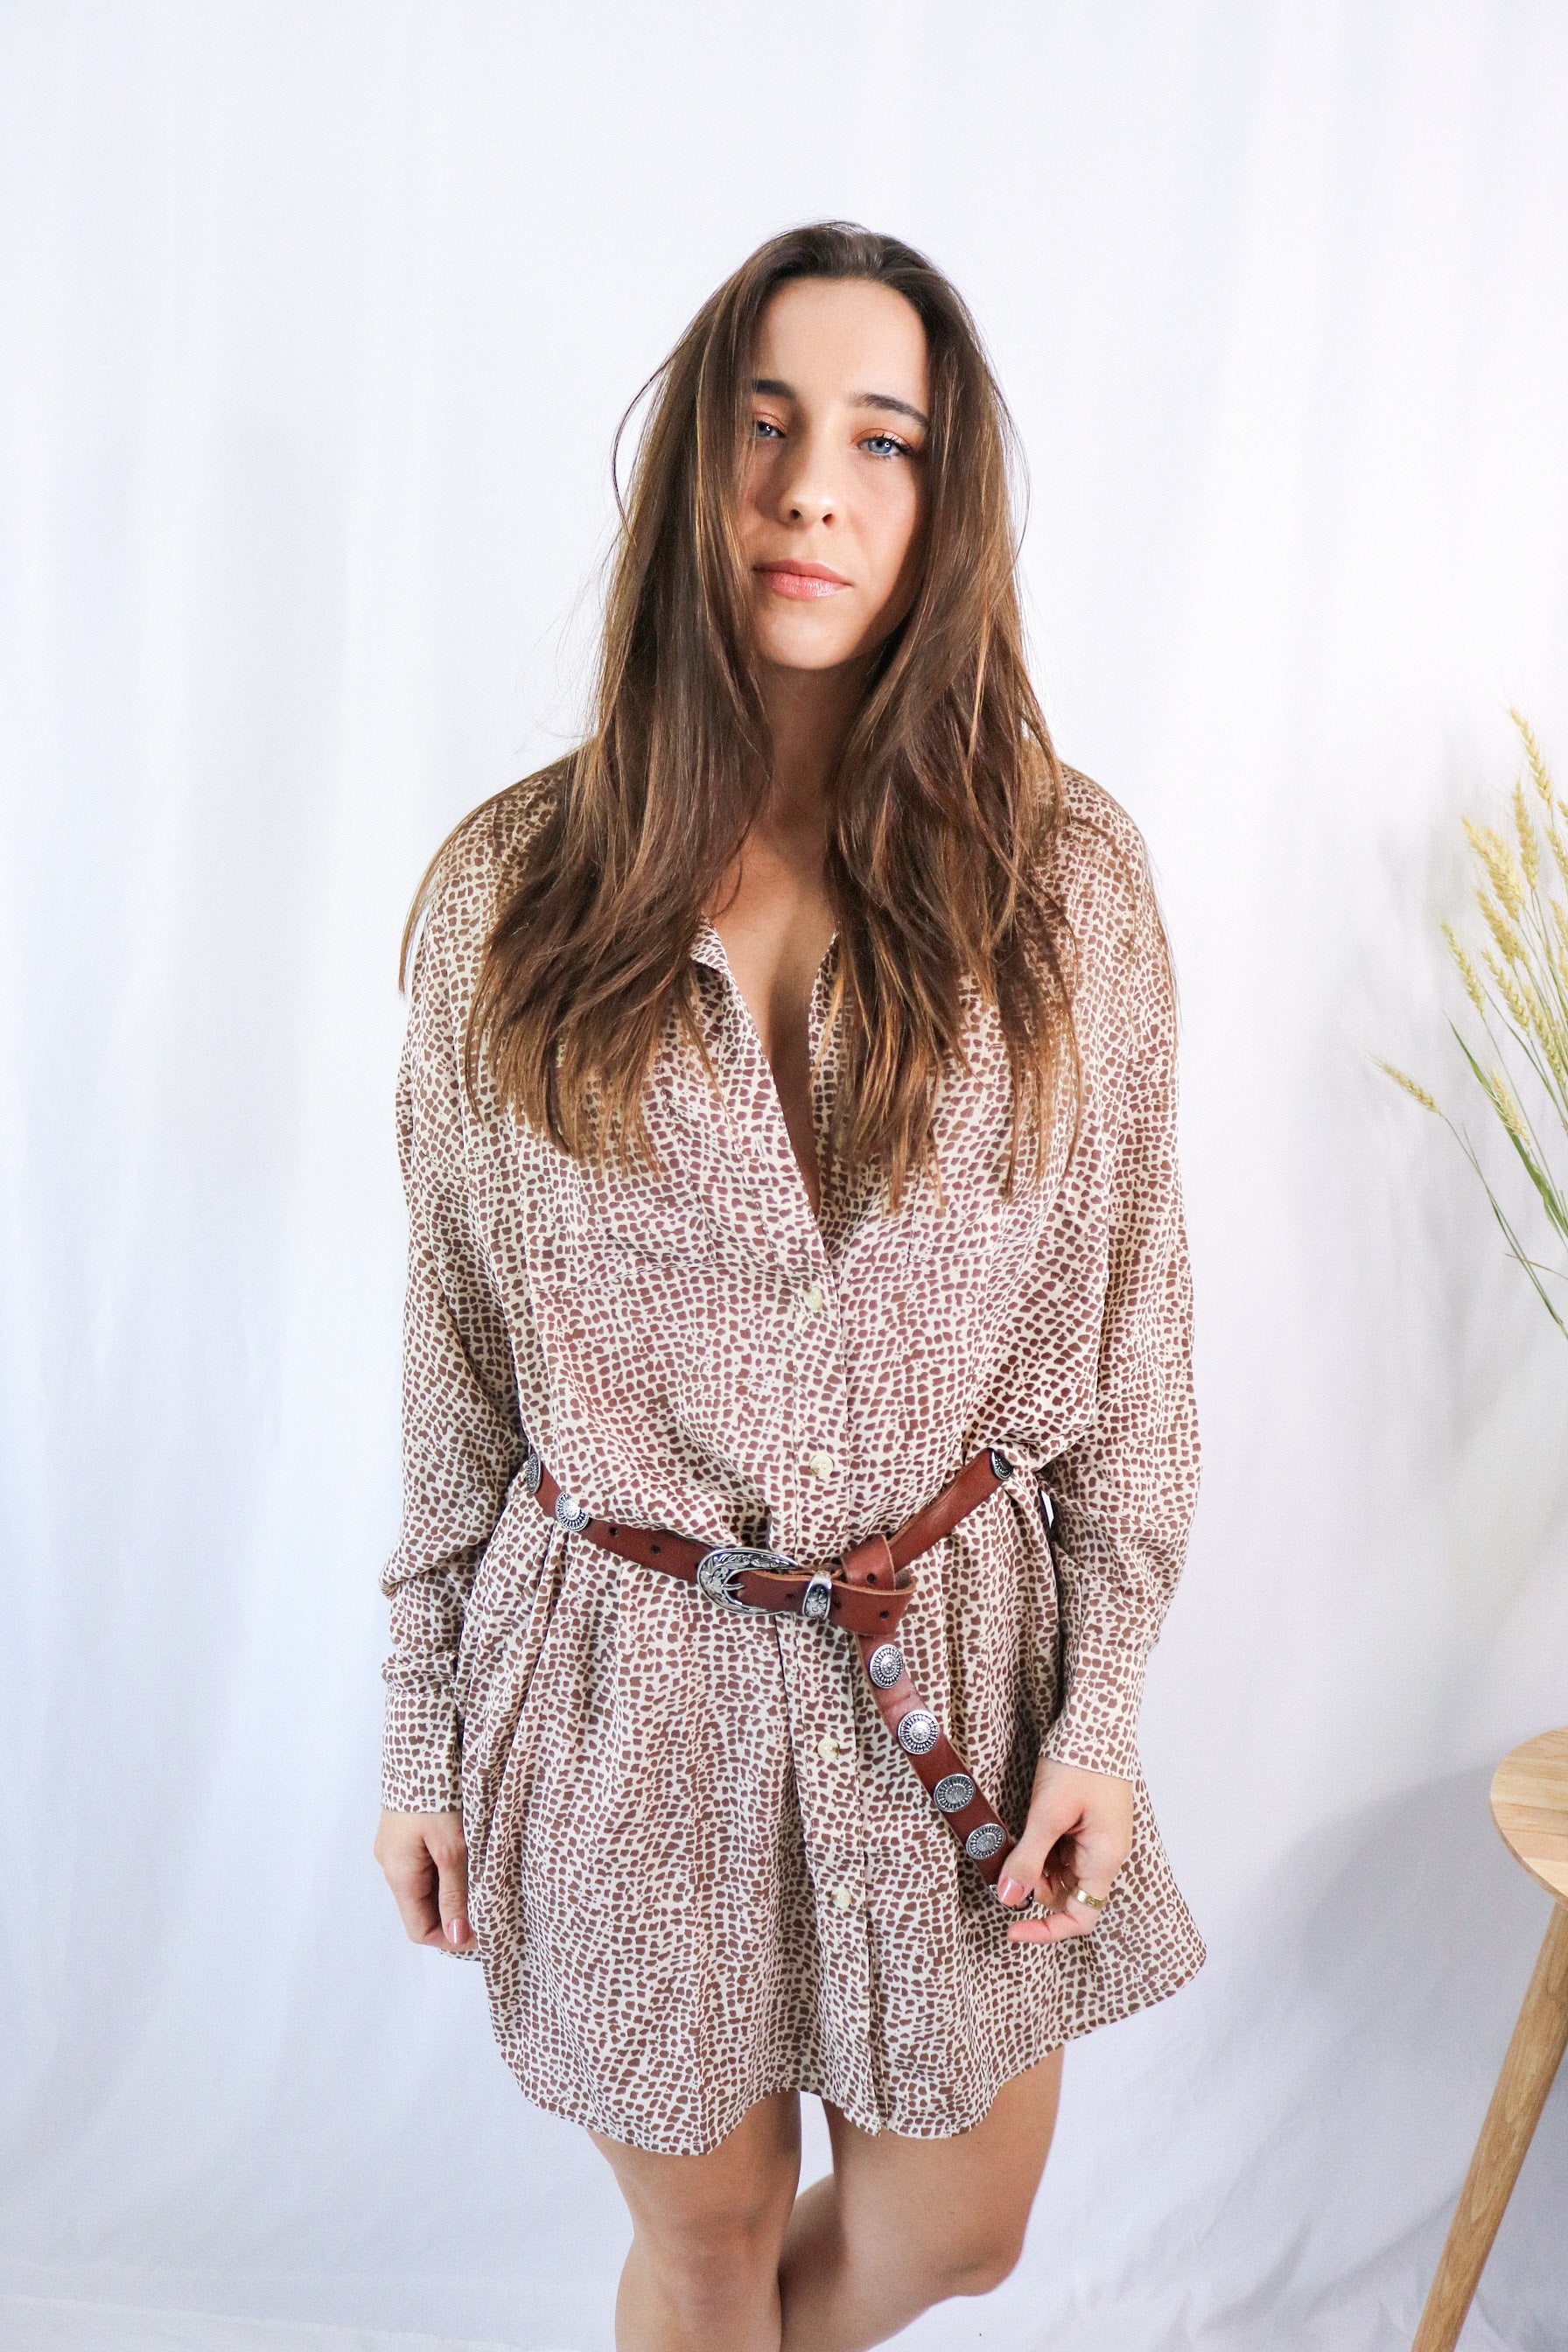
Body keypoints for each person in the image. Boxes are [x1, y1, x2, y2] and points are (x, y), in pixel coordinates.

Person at [371, 219, 1204, 2352]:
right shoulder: (508, 901)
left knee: (956, 2224)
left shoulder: (1065, 888)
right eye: (763, 428)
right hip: (625, 1691)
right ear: (691, 484)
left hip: (956, 1661)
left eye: (879, 439)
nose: (812, 489)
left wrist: (1100, 1704)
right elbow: (459, 1356)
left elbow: (1128, 1338)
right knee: (709, 2243)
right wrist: (417, 1733)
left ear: (945, 501)